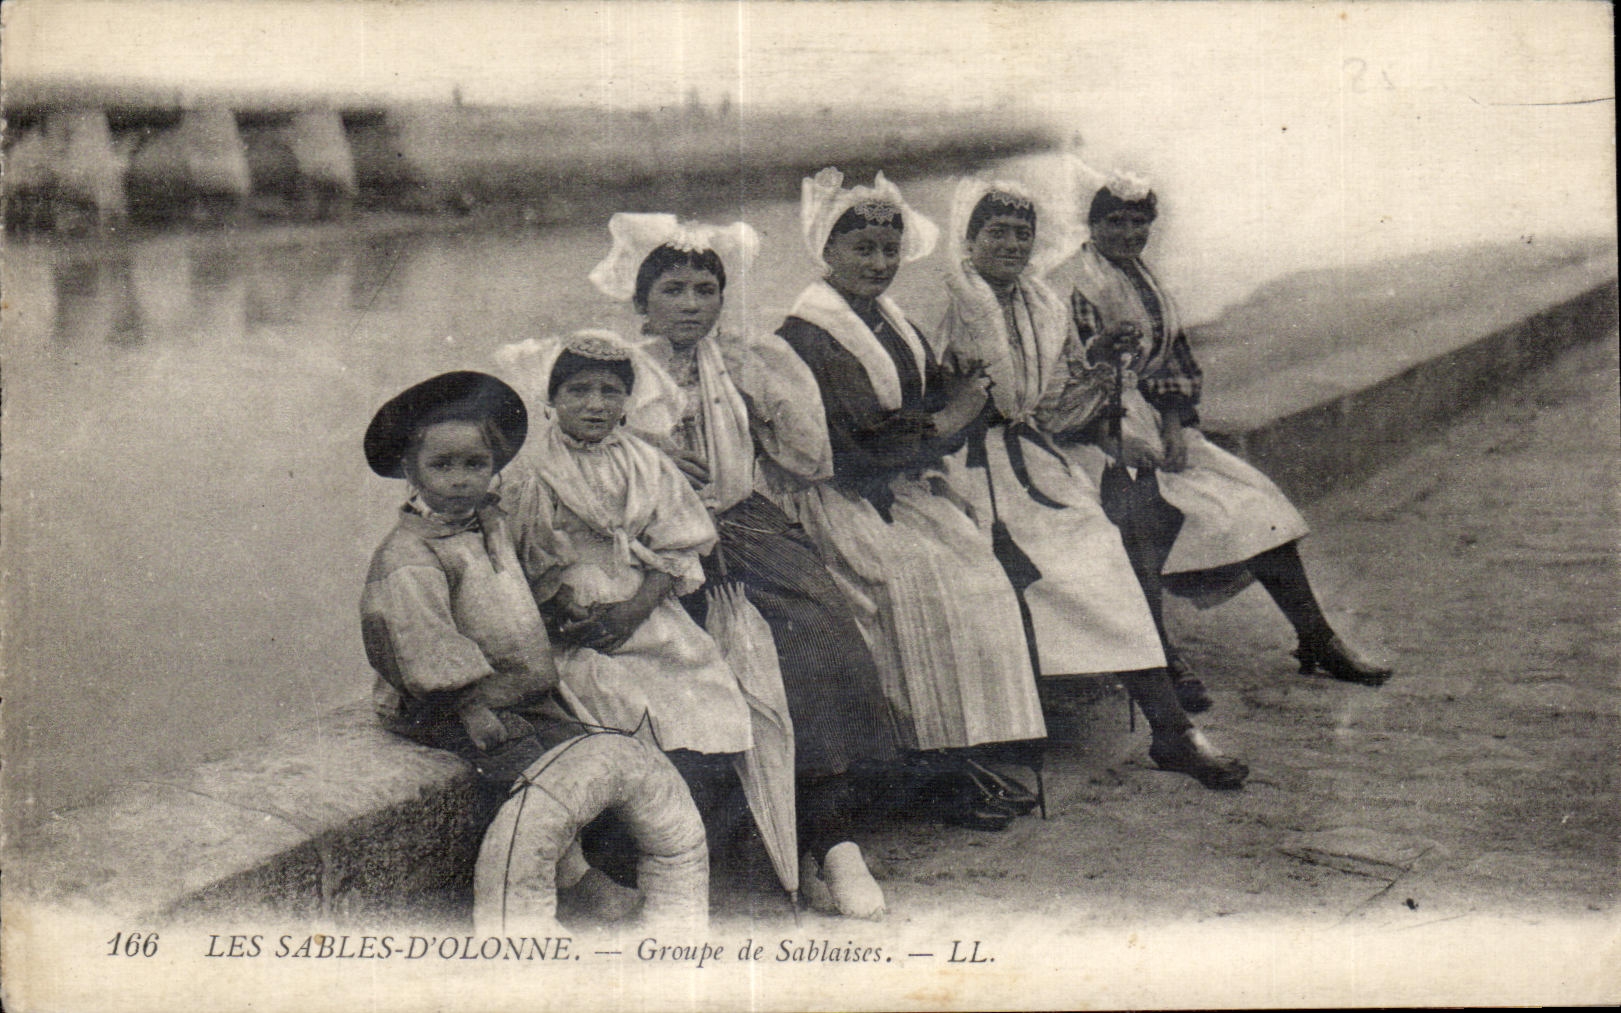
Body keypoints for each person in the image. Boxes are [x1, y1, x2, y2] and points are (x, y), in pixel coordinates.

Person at [586, 213, 896, 917]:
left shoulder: (740, 360)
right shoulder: (613, 373)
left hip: (742, 524)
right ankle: (674, 847)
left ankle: (832, 840)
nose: (691, 304)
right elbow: (578, 463)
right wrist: (646, 454)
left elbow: (806, 456)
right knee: (683, 665)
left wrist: (767, 382)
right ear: (640, 301)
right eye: (672, 289)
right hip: (653, 547)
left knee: (812, 634)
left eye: (705, 288)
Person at [937, 178, 1247, 789]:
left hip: (1028, 459)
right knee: (1068, 560)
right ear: (968, 239)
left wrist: (1100, 362)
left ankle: (1171, 732)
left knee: (1104, 551)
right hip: (963, 467)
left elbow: (1051, 407)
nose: (1011, 244)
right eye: (995, 232)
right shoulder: (950, 304)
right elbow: (933, 401)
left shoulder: (1038, 304)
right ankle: (1154, 727)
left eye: (1023, 234)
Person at [774, 167, 1047, 829]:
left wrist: (963, 392)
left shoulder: (890, 320)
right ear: (826, 252)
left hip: (895, 489)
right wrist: (954, 413)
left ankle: (951, 755)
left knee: (978, 577)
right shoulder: (808, 334)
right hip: (844, 497)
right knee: (919, 588)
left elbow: (932, 396)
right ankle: (923, 768)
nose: (878, 262)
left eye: (889, 250)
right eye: (861, 249)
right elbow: (865, 443)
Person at [1052, 171, 1392, 696]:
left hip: (1146, 417)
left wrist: (1174, 424)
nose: (1127, 233)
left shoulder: (1142, 277)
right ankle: (1157, 656)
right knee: (1144, 514)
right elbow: (1065, 377)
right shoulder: (1074, 283)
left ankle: (1316, 637)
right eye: (1114, 221)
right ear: (1091, 223)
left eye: (1139, 222)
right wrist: (1115, 433)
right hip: (1087, 431)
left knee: (1256, 503)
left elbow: (1172, 359)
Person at [359, 370, 650, 918]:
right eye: (441, 467)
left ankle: (606, 857)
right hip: (442, 702)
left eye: (476, 465)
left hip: (510, 684)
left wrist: (557, 601)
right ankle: (571, 879)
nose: (460, 480)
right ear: (410, 470)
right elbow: (423, 644)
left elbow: (518, 581)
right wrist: (469, 707)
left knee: (586, 746)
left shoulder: (488, 525)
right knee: (530, 768)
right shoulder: (411, 556)